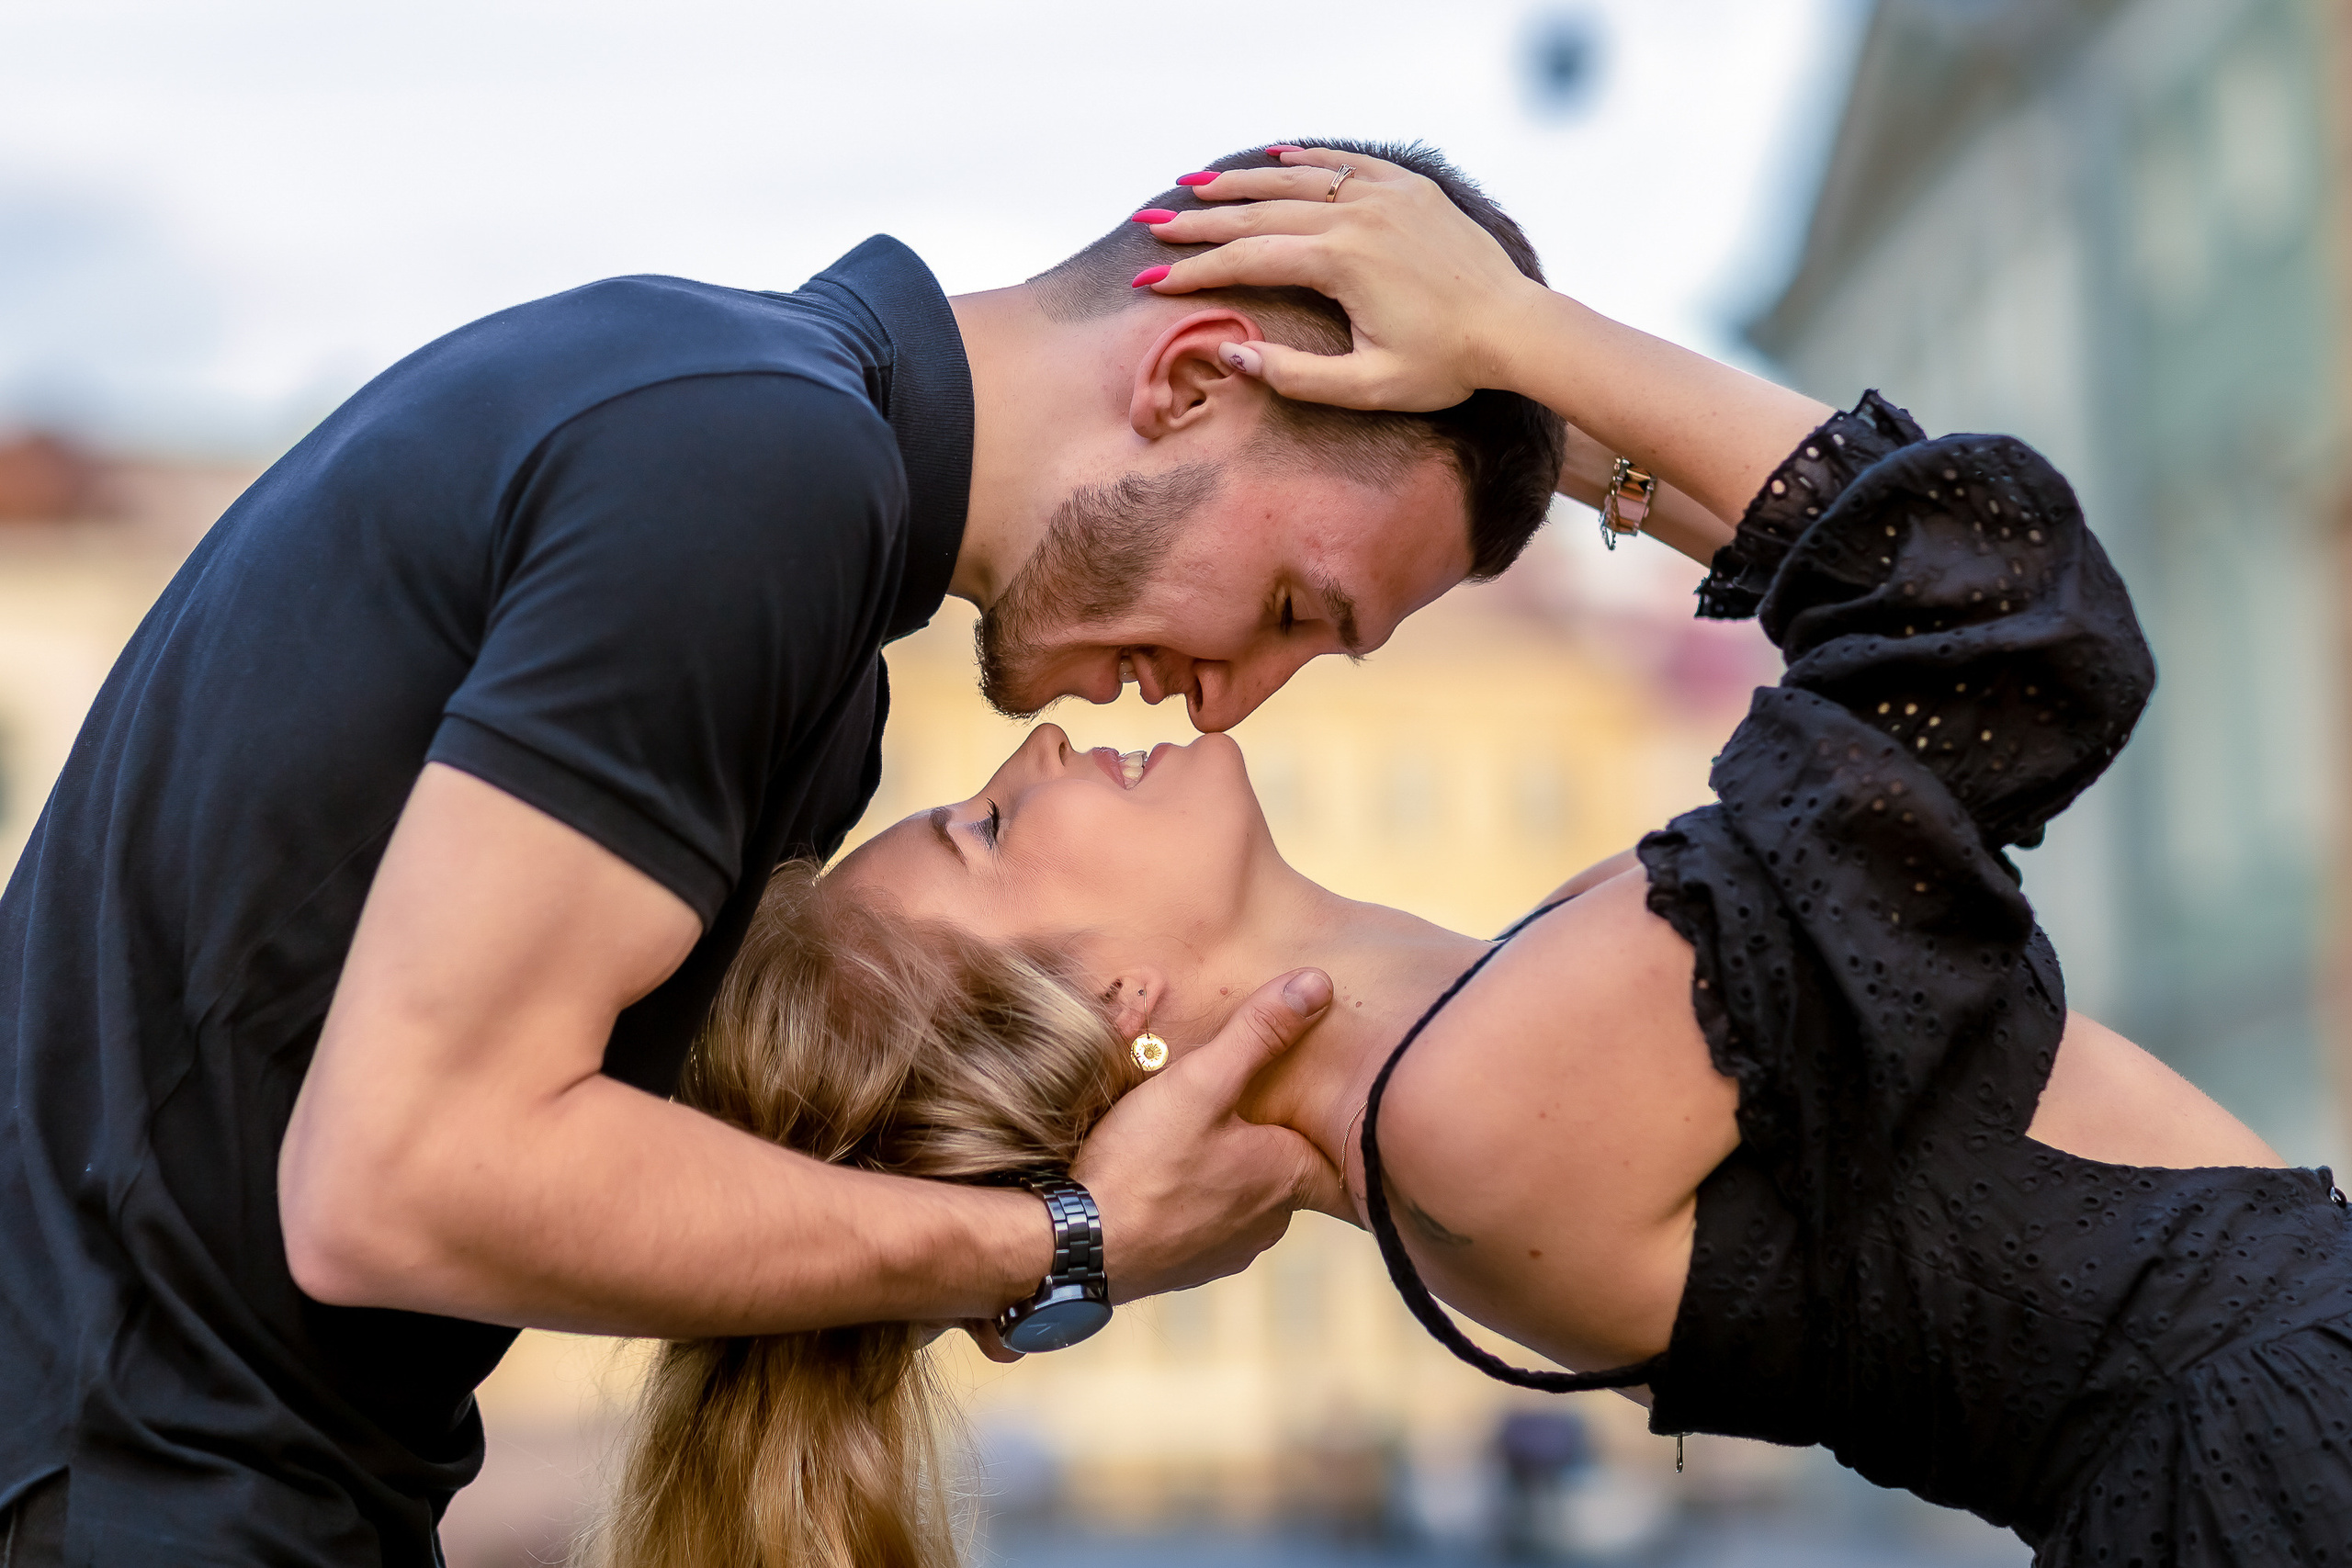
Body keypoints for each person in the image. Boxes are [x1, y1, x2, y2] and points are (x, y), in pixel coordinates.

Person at [606, 152, 2351, 1568]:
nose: (1041, 746)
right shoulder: (1476, 1107)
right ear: (1121, 1003)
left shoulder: (1442, 1097)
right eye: (989, 829)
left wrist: (1516, 431)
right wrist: (1524, 333)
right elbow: (1997, 616)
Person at [0, 141, 1568, 1565]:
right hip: (136, 1501)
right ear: (1190, 378)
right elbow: (396, 1186)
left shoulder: (746, 478)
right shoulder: (752, 474)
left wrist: (1545, 375)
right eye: (1296, 608)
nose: (1236, 703)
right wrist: (1064, 1241)